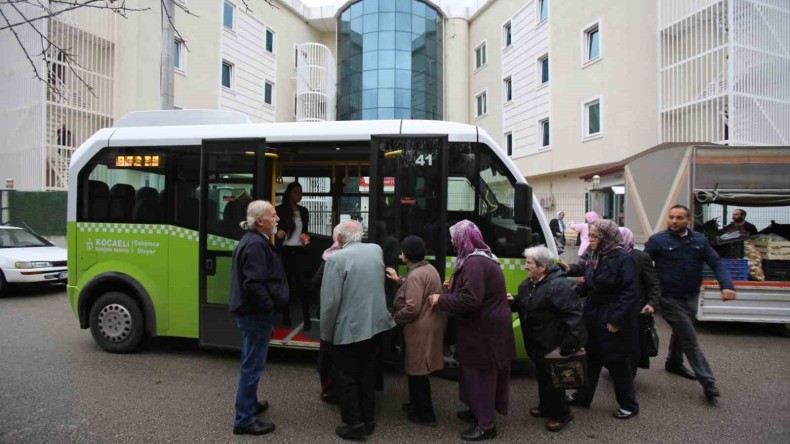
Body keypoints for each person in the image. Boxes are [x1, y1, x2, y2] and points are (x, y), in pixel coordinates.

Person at [428, 220, 514, 442]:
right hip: (484, 328)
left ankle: (486, 425)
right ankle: (476, 410)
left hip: (485, 331)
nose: (451, 241)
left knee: (481, 376)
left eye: (453, 237)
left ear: (462, 238)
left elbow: (471, 300)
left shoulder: (474, 263)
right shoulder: (479, 258)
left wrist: (442, 299)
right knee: (471, 373)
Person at [644, 205, 736, 403]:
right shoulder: (658, 241)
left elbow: (716, 263)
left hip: (691, 295)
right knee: (689, 337)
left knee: (682, 330)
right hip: (668, 297)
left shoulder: (699, 241)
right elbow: (643, 265)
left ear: (688, 220)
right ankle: (708, 383)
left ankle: (674, 363)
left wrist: (726, 286)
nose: (674, 221)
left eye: (679, 218)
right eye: (671, 217)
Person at [320, 220, 396, 440]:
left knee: (347, 377)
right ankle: (369, 419)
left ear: (340, 239)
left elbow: (330, 302)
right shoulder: (375, 250)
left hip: (348, 330)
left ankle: (354, 425)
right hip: (375, 325)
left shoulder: (336, 259)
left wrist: (326, 334)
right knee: (367, 374)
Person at [566, 219, 641, 420]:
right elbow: (590, 282)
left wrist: (616, 320)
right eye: (589, 235)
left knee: (617, 362)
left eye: (594, 236)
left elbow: (630, 293)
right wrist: (570, 288)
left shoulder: (623, 259)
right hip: (593, 314)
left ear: (607, 237)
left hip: (612, 316)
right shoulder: (597, 256)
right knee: (591, 358)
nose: (589, 239)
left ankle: (629, 404)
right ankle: (583, 397)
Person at [229, 200, 289, 435]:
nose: (277, 219)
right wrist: (269, 307)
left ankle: (250, 404)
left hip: (253, 314)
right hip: (255, 315)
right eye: (273, 215)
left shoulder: (256, 240)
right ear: (260, 220)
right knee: (252, 367)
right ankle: (244, 420)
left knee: (250, 363)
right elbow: (253, 283)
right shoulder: (256, 245)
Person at [510, 246, 583, 432]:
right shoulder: (528, 284)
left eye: (529, 263)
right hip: (536, 342)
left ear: (542, 268)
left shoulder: (559, 286)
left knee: (555, 380)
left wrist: (566, 347)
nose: (525, 266)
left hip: (553, 345)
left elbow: (574, 318)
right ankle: (545, 407)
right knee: (542, 377)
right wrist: (513, 302)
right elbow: (526, 303)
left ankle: (562, 414)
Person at [386, 235, 447, 425]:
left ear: (409, 255)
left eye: (403, 250)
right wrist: (399, 280)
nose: (401, 253)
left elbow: (413, 307)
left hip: (419, 328)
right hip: (430, 324)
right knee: (417, 369)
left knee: (418, 372)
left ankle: (425, 414)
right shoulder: (427, 268)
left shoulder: (415, 275)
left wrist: (394, 319)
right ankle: (415, 404)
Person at [619, 227, 661, 374]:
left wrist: (652, 303)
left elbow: (653, 283)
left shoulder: (641, 257)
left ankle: (629, 373)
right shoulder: (607, 255)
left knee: (632, 344)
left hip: (635, 308)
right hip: (615, 307)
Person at [312, 225, 342, 405]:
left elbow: (315, 283)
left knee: (328, 351)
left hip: (329, 312)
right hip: (344, 315)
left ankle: (329, 389)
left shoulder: (330, 255)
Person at [275, 182, 312, 329]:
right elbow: (275, 230)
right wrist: (279, 234)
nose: (299, 195)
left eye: (301, 192)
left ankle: (307, 318)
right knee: (287, 285)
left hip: (299, 250)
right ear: (289, 194)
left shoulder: (303, 211)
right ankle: (286, 316)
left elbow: (305, 231)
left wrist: (306, 239)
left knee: (303, 285)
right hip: (286, 251)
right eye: (296, 192)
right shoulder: (280, 210)